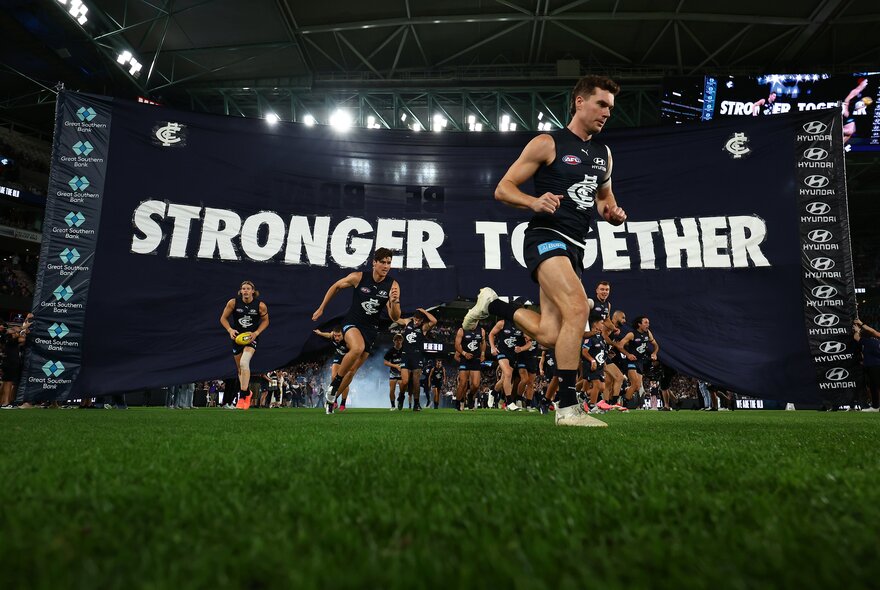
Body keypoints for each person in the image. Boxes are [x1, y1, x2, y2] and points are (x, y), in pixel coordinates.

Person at [463, 75, 626, 427]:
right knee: (580, 307)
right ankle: (567, 408)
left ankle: (494, 304)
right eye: (601, 104)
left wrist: (612, 213)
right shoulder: (547, 143)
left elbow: (603, 199)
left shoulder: (604, 155)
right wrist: (534, 201)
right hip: (545, 237)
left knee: (551, 335)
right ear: (579, 102)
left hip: (576, 245)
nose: (607, 113)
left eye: (611, 108)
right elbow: (503, 189)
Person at [312, 248, 401, 414]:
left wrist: (395, 302)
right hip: (352, 323)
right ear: (374, 262)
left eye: (389, 263)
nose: (386, 266)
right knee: (357, 347)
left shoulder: (393, 285)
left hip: (371, 330)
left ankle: (331, 399)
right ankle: (335, 383)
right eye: (383, 262)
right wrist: (321, 308)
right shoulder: (359, 277)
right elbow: (336, 286)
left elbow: (395, 317)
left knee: (352, 371)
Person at [220, 280, 269, 410]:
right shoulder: (233, 303)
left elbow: (266, 321)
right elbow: (223, 318)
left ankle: (242, 397)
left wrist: (257, 332)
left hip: (250, 337)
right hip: (237, 338)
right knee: (240, 369)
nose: (245, 291)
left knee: (244, 362)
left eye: (248, 288)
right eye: (243, 288)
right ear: (241, 291)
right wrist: (230, 330)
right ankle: (247, 392)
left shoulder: (260, 305)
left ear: (253, 291)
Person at [395, 308, 437, 411]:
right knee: (404, 381)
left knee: (416, 381)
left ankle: (416, 404)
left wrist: (424, 311)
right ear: (413, 318)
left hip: (417, 356)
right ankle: (401, 396)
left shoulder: (423, 327)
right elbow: (396, 318)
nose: (417, 322)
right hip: (405, 354)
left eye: (419, 320)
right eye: (416, 319)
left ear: (422, 320)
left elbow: (434, 321)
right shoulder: (407, 322)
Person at [616, 316, 660, 407]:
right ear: (639, 324)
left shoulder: (648, 333)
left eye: (648, 322)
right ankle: (624, 406)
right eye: (645, 322)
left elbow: (656, 345)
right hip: (630, 361)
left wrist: (655, 353)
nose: (648, 324)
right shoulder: (632, 334)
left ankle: (621, 391)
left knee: (637, 387)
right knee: (635, 383)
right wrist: (628, 354)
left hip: (640, 362)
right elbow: (620, 345)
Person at [489, 319, 523, 411]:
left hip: (513, 355)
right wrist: (492, 347)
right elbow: (491, 334)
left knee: (505, 379)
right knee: (508, 374)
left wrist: (522, 348)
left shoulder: (521, 324)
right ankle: (509, 402)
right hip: (502, 352)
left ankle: (493, 393)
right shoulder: (502, 323)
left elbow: (529, 341)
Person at [455, 323, 486, 411]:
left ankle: (470, 395)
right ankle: (458, 402)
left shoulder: (481, 331)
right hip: (465, 359)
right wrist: (464, 354)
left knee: (476, 385)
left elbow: (483, 343)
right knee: (463, 383)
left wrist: (483, 353)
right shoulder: (462, 330)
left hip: (475, 360)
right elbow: (457, 345)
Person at [854, 319, 880, 412]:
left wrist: (857, 330)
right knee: (873, 386)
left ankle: (876, 406)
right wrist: (861, 324)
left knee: (875, 386)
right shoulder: (877, 341)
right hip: (874, 365)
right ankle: (875, 406)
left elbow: (856, 337)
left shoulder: (869, 342)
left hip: (873, 367)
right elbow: (874, 331)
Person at [384, 334, 405, 411]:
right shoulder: (390, 351)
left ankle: (400, 399)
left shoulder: (405, 350)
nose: (398, 341)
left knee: (402, 389)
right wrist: (395, 366)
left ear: (402, 341)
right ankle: (393, 406)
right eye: (396, 340)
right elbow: (385, 362)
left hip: (402, 373)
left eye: (399, 340)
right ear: (394, 341)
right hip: (393, 372)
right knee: (392, 390)